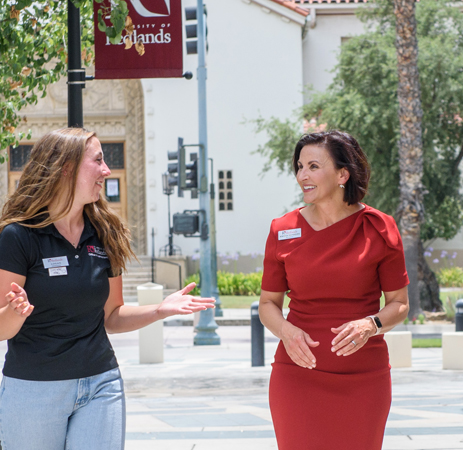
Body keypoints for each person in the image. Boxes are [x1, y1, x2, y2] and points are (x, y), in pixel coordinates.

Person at [0, 128, 215, 450]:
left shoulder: (104, 233)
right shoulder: (18, 237)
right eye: (98, 161)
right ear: (66, 168)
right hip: (34, 388)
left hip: (101, 382)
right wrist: (14, 312)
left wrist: (158, 310)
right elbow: (2, 327)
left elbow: (112, 315)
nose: (107, 171)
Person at [259, 130, 410, 450]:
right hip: (297, 375)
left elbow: (399, 304)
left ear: (343, 174)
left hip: (364, 379)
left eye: (313, 166)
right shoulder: (282, 229)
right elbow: (268, 305)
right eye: (299, 166)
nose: (303, 175)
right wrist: (286, 331)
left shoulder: (380, 228)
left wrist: (371, 324)